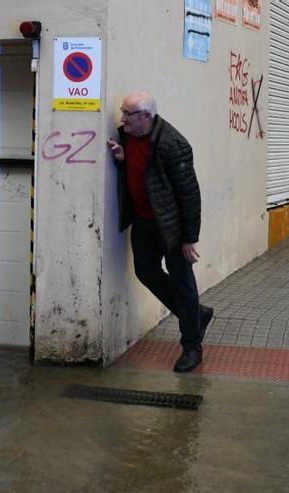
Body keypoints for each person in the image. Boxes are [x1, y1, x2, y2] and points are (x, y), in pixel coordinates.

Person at [106, 92, 214, 373]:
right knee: (145, 271)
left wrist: (190, 238)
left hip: (172, 226)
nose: (123, 118)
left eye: (128, 113)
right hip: (143, 221)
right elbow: (145, 171)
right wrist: (123, 158)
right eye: (123, 112)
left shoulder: (173, 144)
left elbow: (190, 194)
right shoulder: (130, 136)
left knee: (183, 283)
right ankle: (196, 316)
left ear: (146, 116)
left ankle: (192, 348)